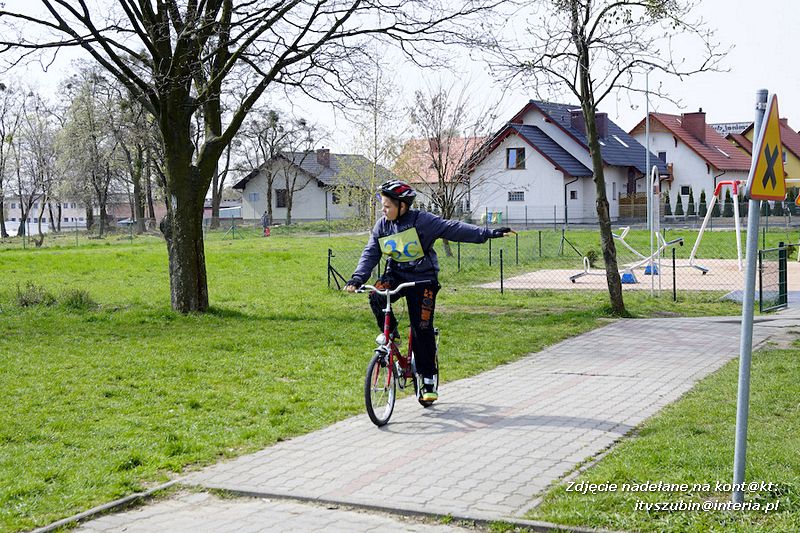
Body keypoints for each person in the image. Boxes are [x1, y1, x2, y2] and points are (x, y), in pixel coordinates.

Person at [345, 179, 511, 403]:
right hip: (396, 276)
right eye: (381, 205)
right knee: (376, 294)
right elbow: (371, 252)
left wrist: (488, 234)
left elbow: (453, 229)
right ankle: (391, 336)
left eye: (387, 206)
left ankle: (428, 380)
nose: (383, 210)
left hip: (423, 280)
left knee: (422, 328)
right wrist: (357, 278)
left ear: (402, 205)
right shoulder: (382, 226)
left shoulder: (422, 221)